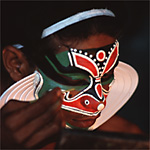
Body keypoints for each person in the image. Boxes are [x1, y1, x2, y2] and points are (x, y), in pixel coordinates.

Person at [0, 1, 144, 149]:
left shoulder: (121, 140)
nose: (99, 103)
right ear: (16, 64)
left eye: (106, 78)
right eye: (75, 81)